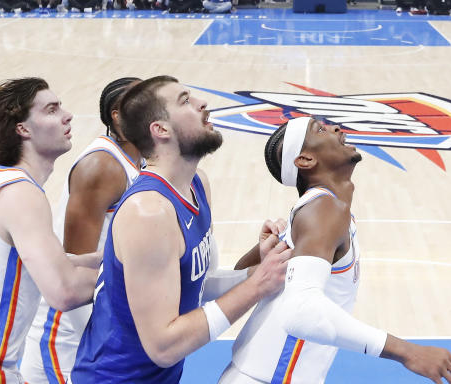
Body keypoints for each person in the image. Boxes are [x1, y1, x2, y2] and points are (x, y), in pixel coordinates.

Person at [70, 76, 290, 383]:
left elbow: (195, 287)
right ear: (160, 130)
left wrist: (257, 271)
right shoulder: (148, 211)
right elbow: (164, 346)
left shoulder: (197, 185)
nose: (203, 103)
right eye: (185, 100)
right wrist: (255, 288)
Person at [218, 117, 451, 384]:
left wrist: (266, 247)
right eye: (320, 130)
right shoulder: (323, 211)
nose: (335, 128)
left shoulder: (315, 209)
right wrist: (408, 351)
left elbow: (241, 276)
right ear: (305, 161)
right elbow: (302, 312)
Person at [0, 78, 101, 383]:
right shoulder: (21, 194)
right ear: (23, 129)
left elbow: (26, 263)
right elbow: (63, 291)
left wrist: (99, 259)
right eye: (52, 110)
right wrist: (132, 276)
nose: (68, 115)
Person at [20, 78, 144, 384]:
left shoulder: (135, 161)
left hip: (100, 319)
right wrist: (102, 347)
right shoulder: (101, 167)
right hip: (68, 337)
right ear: (118, 115)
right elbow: (71, 269)